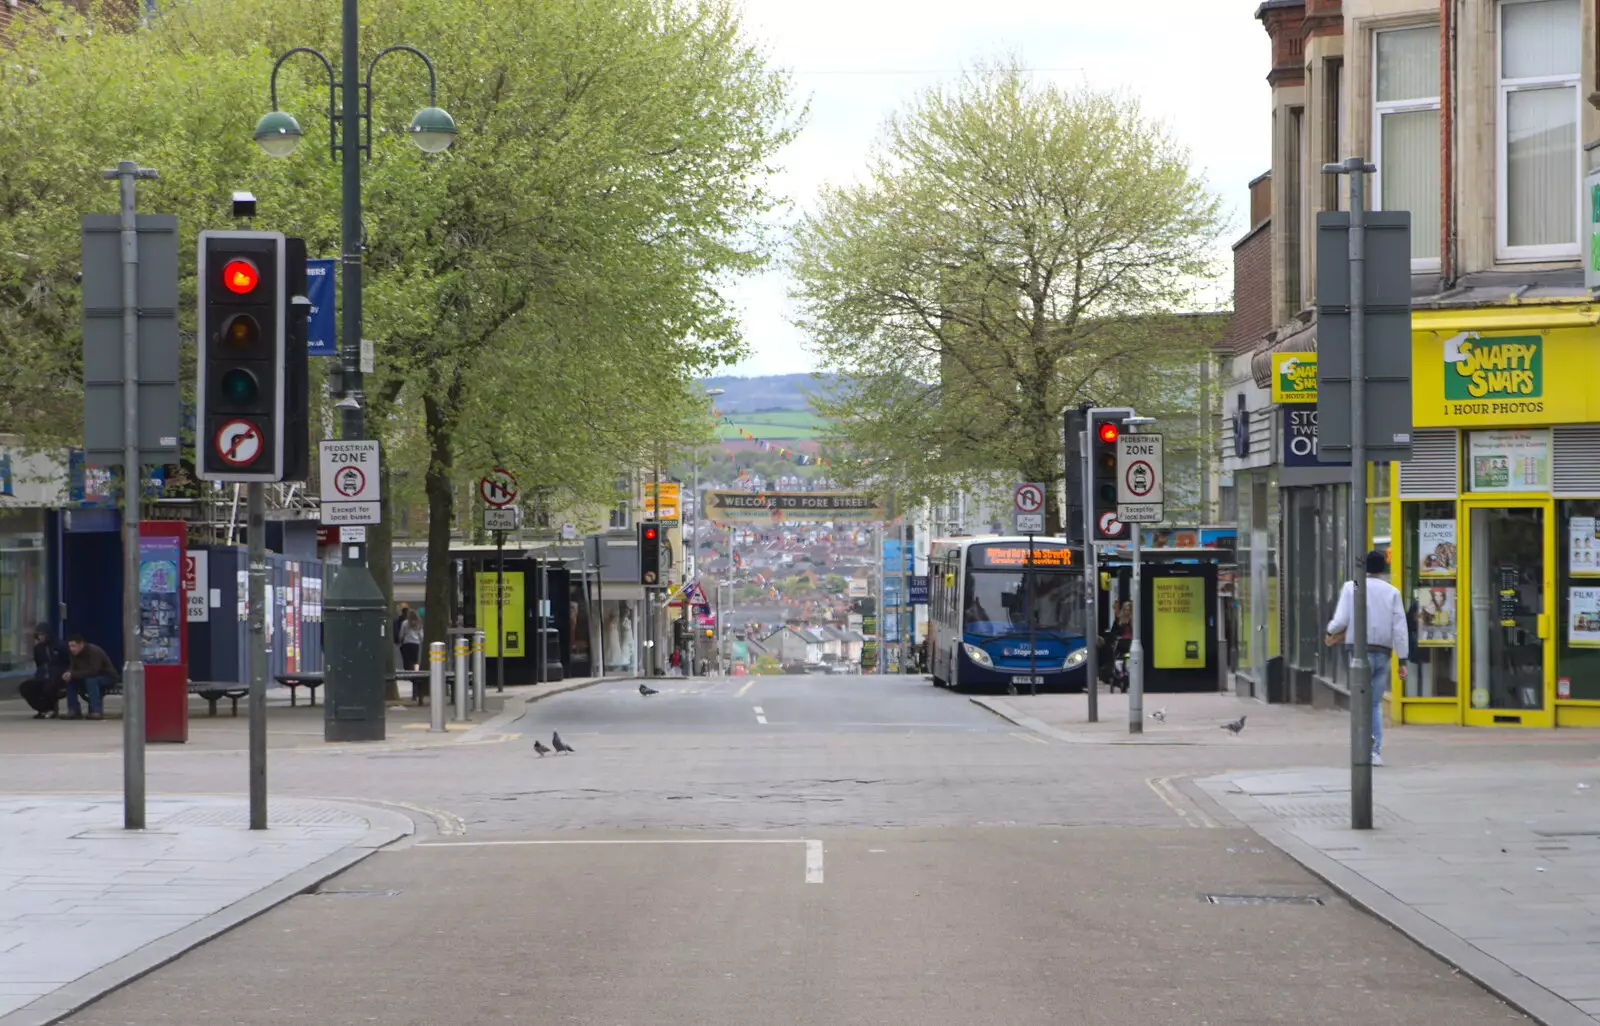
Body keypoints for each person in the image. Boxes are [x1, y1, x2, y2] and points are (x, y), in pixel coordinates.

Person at [1326, 549, 1409, 766]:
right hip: (1382, 653)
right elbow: (1400, 628)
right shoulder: (1392, 592)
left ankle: (1359, 747)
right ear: (1384, 568)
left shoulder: (1352, 586)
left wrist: (1330, 631)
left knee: (1359, 701)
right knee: (1374, 704)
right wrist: (1403, 659)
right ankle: (1374, 751)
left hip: (1357, 652)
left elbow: (1340, 620)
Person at [62, 634, 120, 721]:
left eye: (74, 646)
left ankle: (95, 711)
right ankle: (73, 710)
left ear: (81, 644)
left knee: (91, 680)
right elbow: (73, 667)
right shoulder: (73, 654)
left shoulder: (93, 651)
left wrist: (73, 674)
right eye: (70, 646)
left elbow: (94, 670)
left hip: (107, 677)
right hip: (86, 676)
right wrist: (69, 673)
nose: (71, 649)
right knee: (71, 681)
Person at [21, 624, 68, 719]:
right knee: (26, 687)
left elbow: (67, 662)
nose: (40, 637)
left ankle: (51, 708)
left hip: (59, 676)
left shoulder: (60, 646)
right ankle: (43, 709)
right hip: (44, 676)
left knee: (50, 685)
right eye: (38, 635)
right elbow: (39, 664)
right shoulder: (38, 649)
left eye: (43, 634)